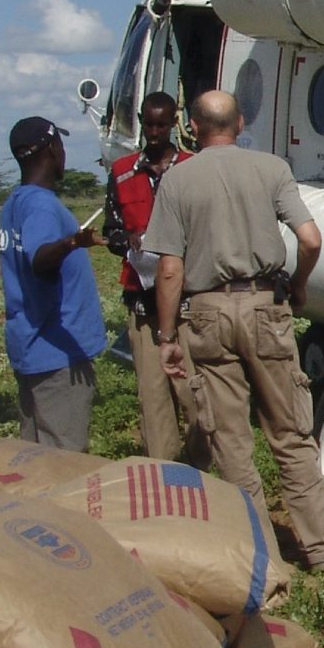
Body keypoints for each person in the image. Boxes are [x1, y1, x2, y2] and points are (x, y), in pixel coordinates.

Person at [146, 89, 324, 571]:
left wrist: (168, 338)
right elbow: (311, 238)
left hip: (209, 313)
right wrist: (296, 285)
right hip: (265, 307)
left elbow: (170, 270)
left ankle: (260, 557)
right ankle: (322, 549)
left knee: (230, 440)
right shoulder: (271, 168)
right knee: (292, 433)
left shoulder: (175, 181)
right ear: (239, 124)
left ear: (192, 126)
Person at [106, 92, 206, 465]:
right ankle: (163, 474)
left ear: (174, 122)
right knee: (152, 398)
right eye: (148, 124)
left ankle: (203, 473)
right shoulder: (122, 173)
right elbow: (110, 229)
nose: (154, 131)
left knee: (194, 392)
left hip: (187, 302)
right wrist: (127, 241)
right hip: (142, 300)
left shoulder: (194, 169)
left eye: (161, 124)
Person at [0, 116, 106, 451]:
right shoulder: (42, 206)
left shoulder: (14, 204)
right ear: (52, 149)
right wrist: (70, 244)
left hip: (30, 347)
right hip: (57, 357)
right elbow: (40, 260)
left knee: (34, 458)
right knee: (64, 462)